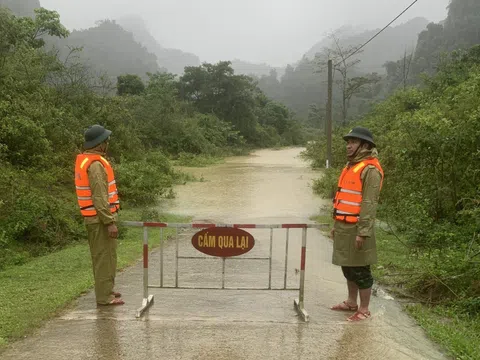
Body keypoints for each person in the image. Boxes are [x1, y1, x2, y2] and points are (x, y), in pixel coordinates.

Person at [329, 127, 384, 321]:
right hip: (344, 225)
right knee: (347, 266)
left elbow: (369, 204)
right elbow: (343, 199)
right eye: (348, 142)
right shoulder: (350, 166)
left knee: (360, 269)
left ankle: (364, 309)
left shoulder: (370, 170)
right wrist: (336, 224)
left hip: (358, 227)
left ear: (365, 145)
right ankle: (351, 302)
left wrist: (363, 232)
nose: (348, 146)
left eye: (353, 142)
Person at [74, 125, 124, 306]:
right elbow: (100, 197)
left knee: (106, 257)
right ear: (100, 144)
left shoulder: (87, 160)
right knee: (104, 258)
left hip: (94, 219)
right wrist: (109, 221)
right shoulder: (95, 165)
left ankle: (106, 290)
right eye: (106, 141)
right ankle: (104, 297)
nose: (108, 144)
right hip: (99, 220)